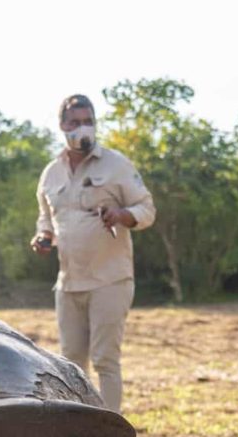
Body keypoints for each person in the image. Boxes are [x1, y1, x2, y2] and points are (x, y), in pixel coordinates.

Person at [31, 94, 155, 413]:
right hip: (69, 282)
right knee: (70, 364)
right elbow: (46, 218)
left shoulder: (117, 165)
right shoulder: (50, 173)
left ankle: (112, 435)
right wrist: (43, 237)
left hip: (109, 279)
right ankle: (78, 432)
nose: (82, 129)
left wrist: (123, 215)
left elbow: (147, 208)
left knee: (105, 361)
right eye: (75, 123)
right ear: (62, 126)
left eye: (88, 122)